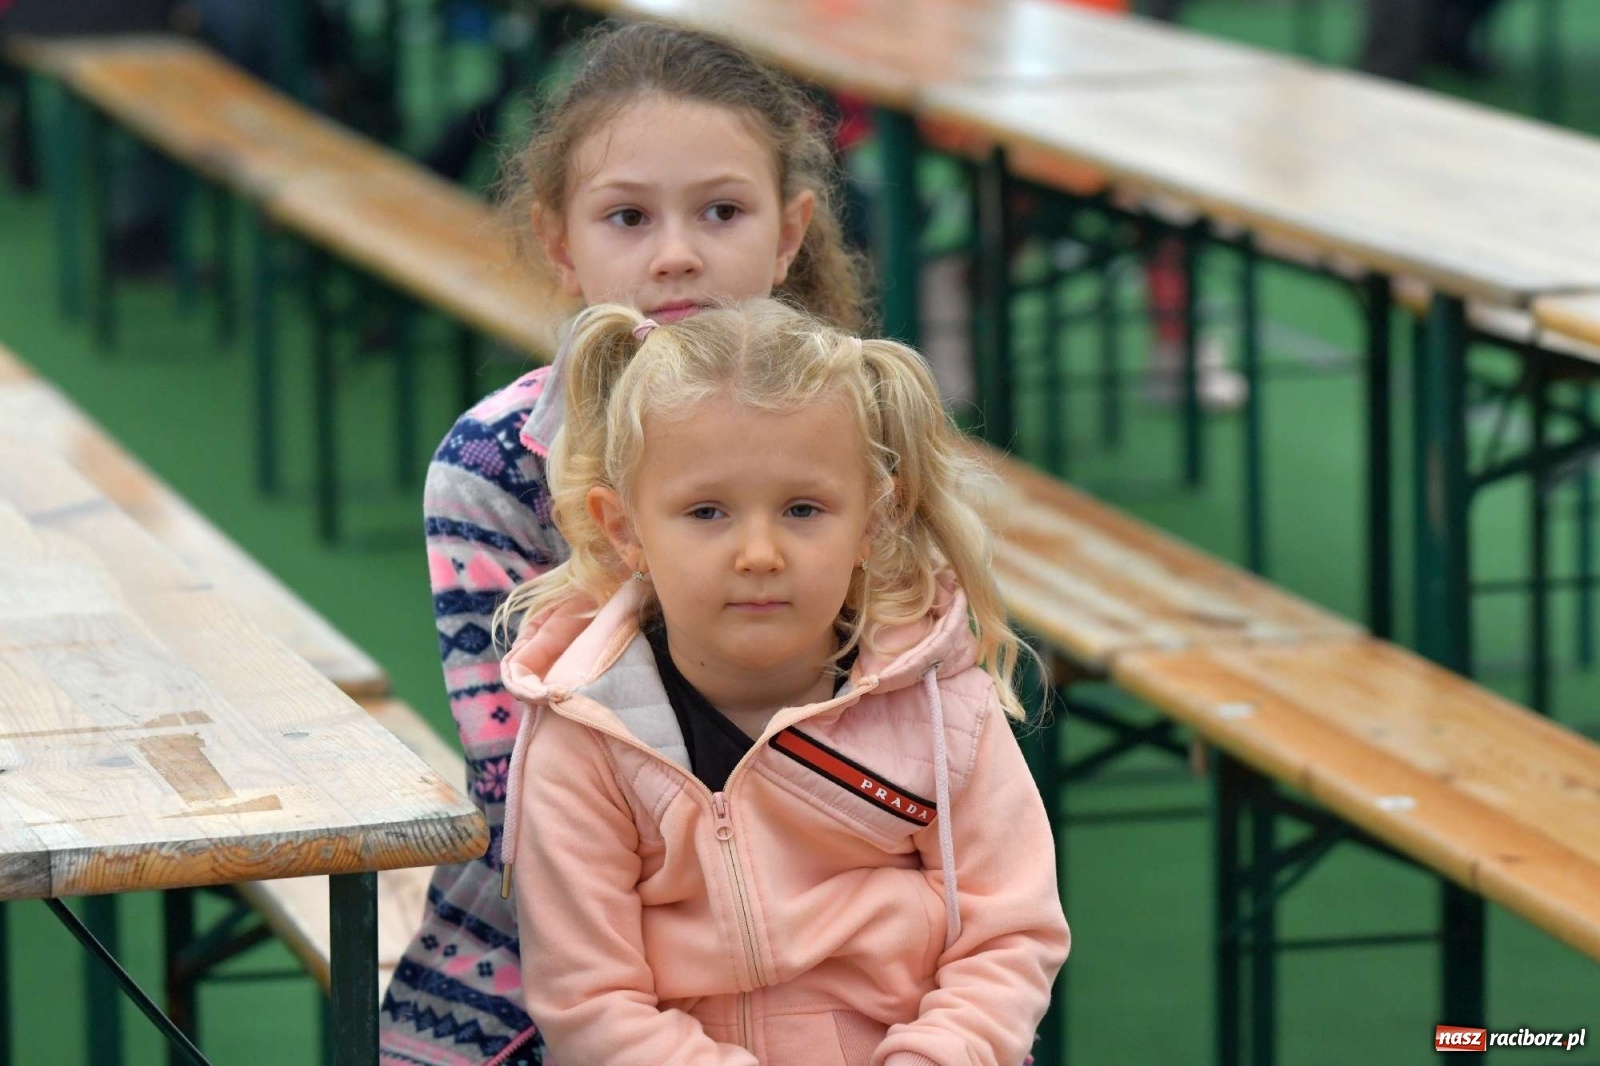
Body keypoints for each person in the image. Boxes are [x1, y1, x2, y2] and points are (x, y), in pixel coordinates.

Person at [385, 22, 869, 1065]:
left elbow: (900, 737)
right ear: (561, 242)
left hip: (829, 958)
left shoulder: (866, 437)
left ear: (790, 234)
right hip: (539, 975)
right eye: (627, 217)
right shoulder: (494, 465)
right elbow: (525, 785)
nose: (677, 251)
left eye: (722, 211)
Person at [498, 298, 1070, 1065]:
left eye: (804, 509)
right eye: (707, 512)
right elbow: (591, 1002)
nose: (760, 552)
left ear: (874, 521)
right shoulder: (588, 734)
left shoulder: (944, 712)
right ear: (625, 529)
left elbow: (1008, 937)